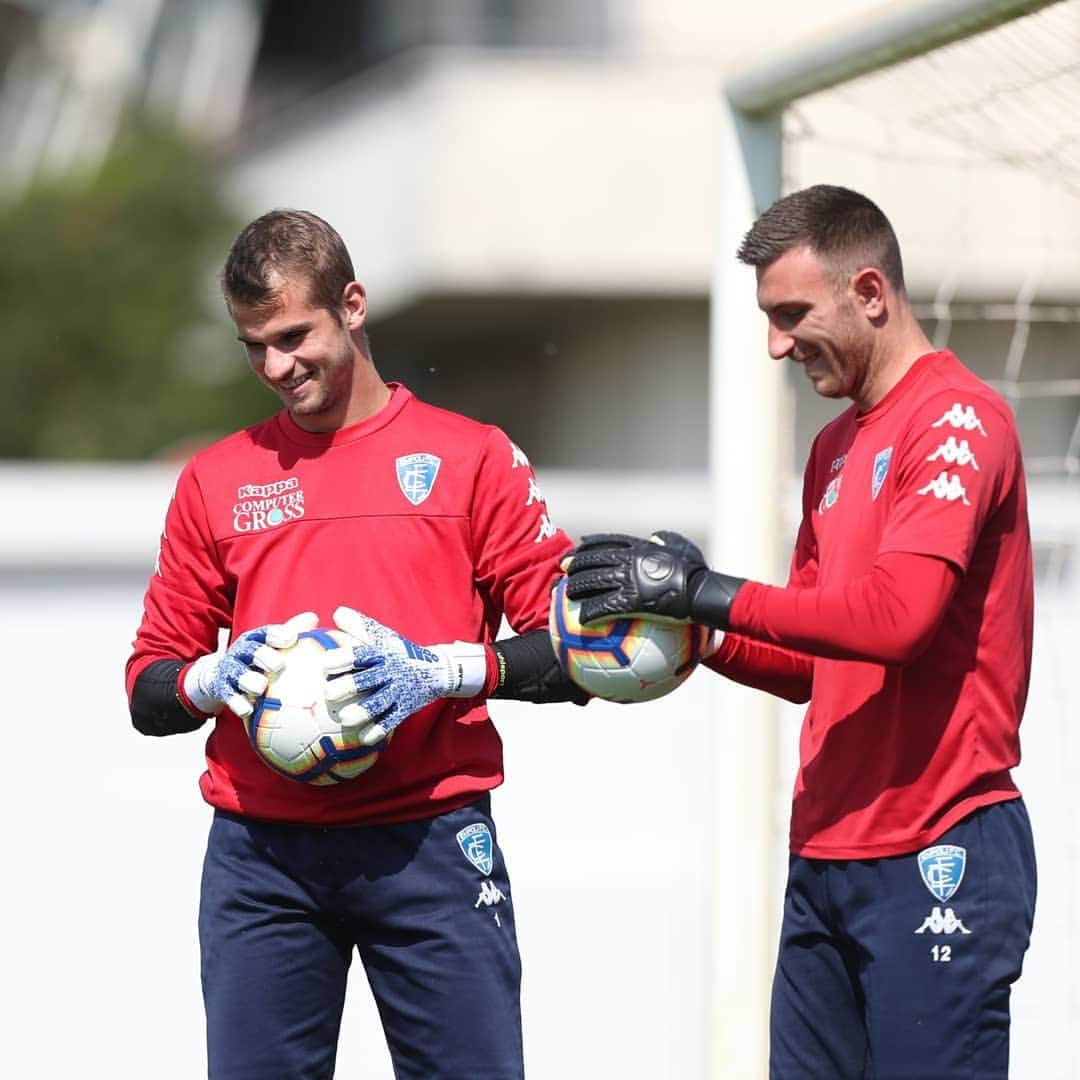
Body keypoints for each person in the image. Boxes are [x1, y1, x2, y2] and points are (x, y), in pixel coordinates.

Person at [559, 185, 1036, 1077]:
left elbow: (897, 622)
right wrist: (694, 633)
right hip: (826, 854)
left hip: (941, 847)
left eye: (790, 314)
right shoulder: (835, 447)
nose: (777, 344)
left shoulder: (959, 420)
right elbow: (816, 654)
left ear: (869, 293)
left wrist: (705, 592)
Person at [125, 208, 584, 1080]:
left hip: (432, 841)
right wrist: (210, 680)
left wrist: (443, 672)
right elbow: (148, 684)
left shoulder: (471, 458)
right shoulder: (216, 479)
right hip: (263, 858)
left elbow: (573, 651)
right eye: (253, 345)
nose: (276, 365)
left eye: (294, 335)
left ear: (354, 305)